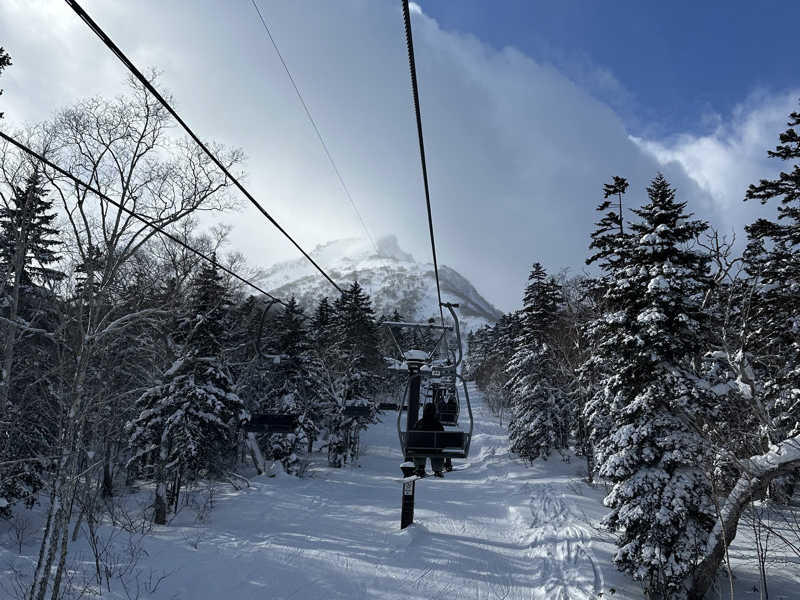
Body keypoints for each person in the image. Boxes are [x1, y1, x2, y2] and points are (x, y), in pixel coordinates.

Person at [412, 403, 445, 477]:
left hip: (420, 449)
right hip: (434, 450)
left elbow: (413, 437)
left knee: (418, 449)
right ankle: (437, 469)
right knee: (438, 451)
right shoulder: (438, 425)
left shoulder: (419, 423)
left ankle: (420, 467)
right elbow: (442, 438)